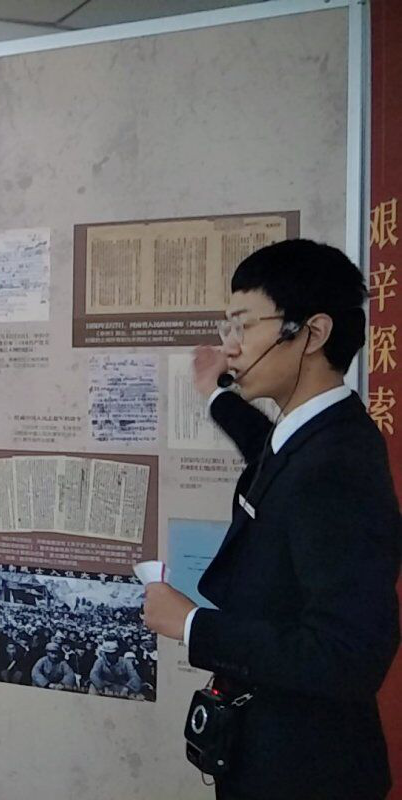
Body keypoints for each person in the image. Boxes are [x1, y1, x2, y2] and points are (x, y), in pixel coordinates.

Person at [144, 239, 401, 800]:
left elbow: (348, 655)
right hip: (278, 756)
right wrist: (217, 397)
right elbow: (270, 453)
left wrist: (192, 626)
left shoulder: (334, 466)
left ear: (312, 332)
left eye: (244, 325)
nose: (230, 346)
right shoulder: (314, 434)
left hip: (307, 771)